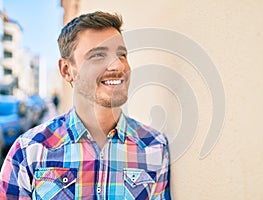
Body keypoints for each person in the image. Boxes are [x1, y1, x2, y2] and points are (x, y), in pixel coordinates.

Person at [0, 11, 171, 199]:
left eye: (121, 54)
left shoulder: (155, 147)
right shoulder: (28, 151)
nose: (118, 66)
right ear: (67, 70)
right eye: (98, 55)